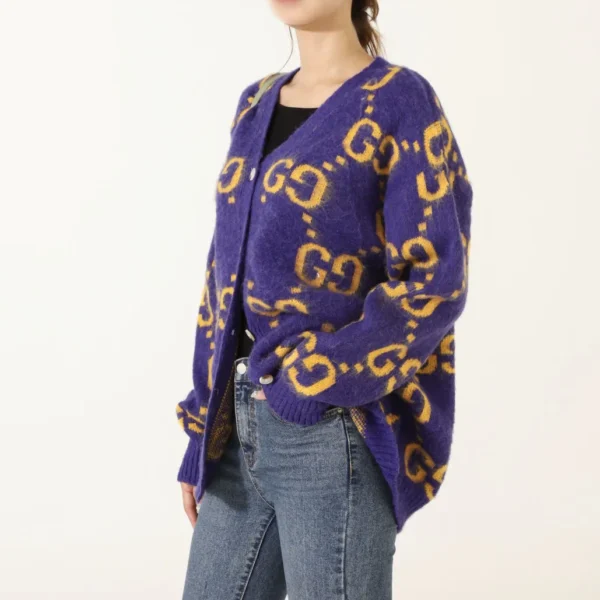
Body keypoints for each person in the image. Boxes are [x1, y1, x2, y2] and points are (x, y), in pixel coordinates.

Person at [176, 1, 473, 598]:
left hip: (335, 427)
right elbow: (223, 271)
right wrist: (203, 425)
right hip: (239, 424)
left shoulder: (401, 100)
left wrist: (317, 378)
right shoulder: (256, 102)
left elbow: (434, 279)